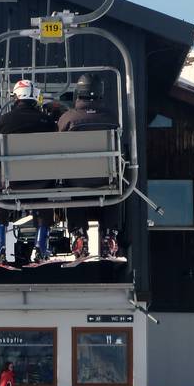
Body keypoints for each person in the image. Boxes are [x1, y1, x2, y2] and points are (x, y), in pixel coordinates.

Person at [0, 79, 57, 262]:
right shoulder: (48, 122)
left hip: (12, 182)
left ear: (15, 97)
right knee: (44, 199)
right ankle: (41, 245)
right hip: (42, 182)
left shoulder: (3, 121)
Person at [58, 74, 119, 258]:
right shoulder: (110, 119)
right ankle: (109, 233)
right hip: (105, 177)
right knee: (114, 190)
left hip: (75, 180)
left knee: (74, 190)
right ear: (100, 92)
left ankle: (79, 233)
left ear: (78, 93)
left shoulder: (68, 119)